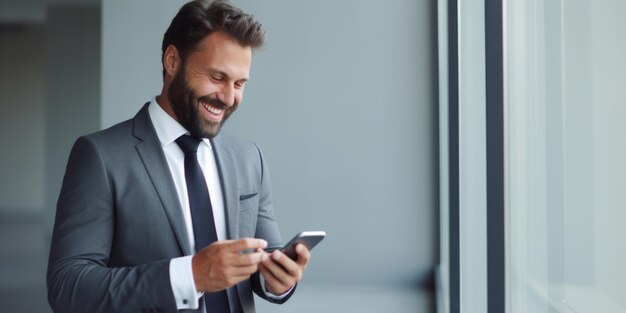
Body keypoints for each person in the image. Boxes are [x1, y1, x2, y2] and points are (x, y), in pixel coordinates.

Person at [47, 1, 310, 312]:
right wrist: (191, 276)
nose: (228, 97)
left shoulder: (248, 158)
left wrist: (279, 279)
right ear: (172, 61)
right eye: (216, 77)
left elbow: (265, 259)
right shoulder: (100, 157)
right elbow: (68, 287)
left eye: (239, 84)